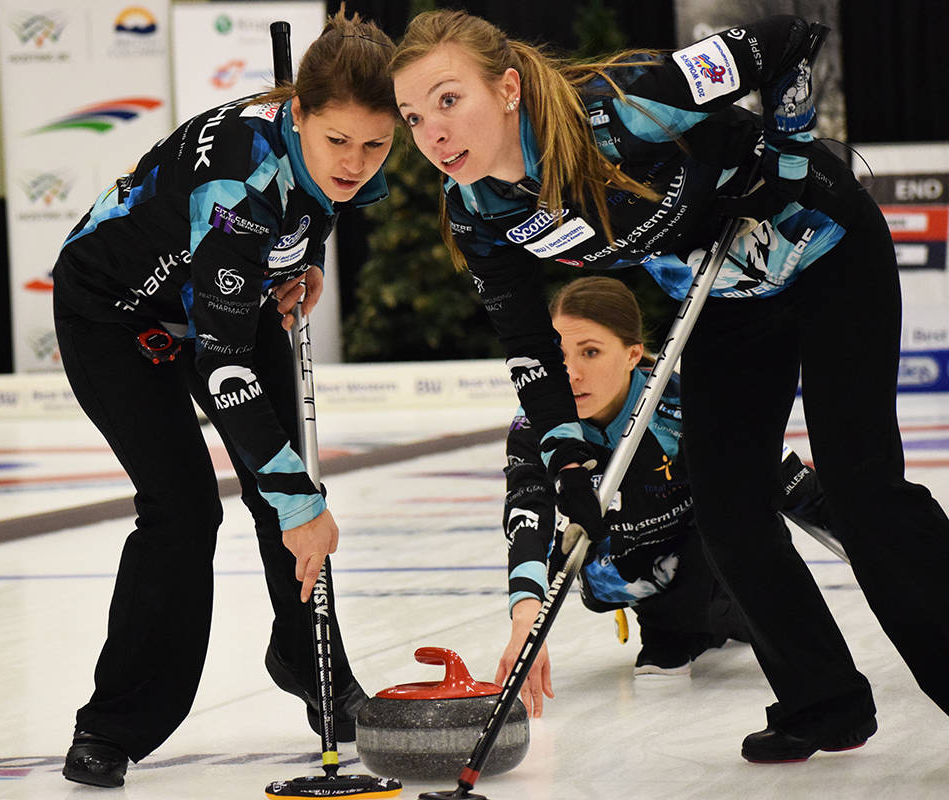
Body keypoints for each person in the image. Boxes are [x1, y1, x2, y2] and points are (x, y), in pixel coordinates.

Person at [391, 10, 949, 763]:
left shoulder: (627, 108)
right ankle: (825, 701)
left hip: (826, 250)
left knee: (861, 489)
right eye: (413, 116)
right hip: (726, 290)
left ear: (509, 88)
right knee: (728, 505)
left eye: (449, 101)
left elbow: (787, 38)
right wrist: (565, 461)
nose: (432, 133)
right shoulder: (480, 212)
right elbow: (529, 347)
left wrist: (783, 172)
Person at [52, 10, 397, 788]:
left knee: (284, 487)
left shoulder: (327, 150)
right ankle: (115, 721)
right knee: (185, 507)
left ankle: (311, 664)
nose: (356, 162)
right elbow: (226, 366)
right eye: (338, 142)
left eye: (376, 145)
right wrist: (300, 505)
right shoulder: (239, 183)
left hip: (222, 295)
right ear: (298, 114)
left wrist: (300, 263)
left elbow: (309, 206)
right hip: (115, 313)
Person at [499, 276, 837, 712]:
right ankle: (671, 629)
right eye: (559, 355)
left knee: (737, 500)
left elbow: (796, 489)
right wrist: (525, 619)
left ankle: (718, 620)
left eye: (591, 352)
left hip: (718, 564)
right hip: (628, 573)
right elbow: (527, 514)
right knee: (695, 617)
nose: (573, 372)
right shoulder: (534, 426)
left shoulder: (688, 403)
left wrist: (890, 566)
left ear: (633, 354)